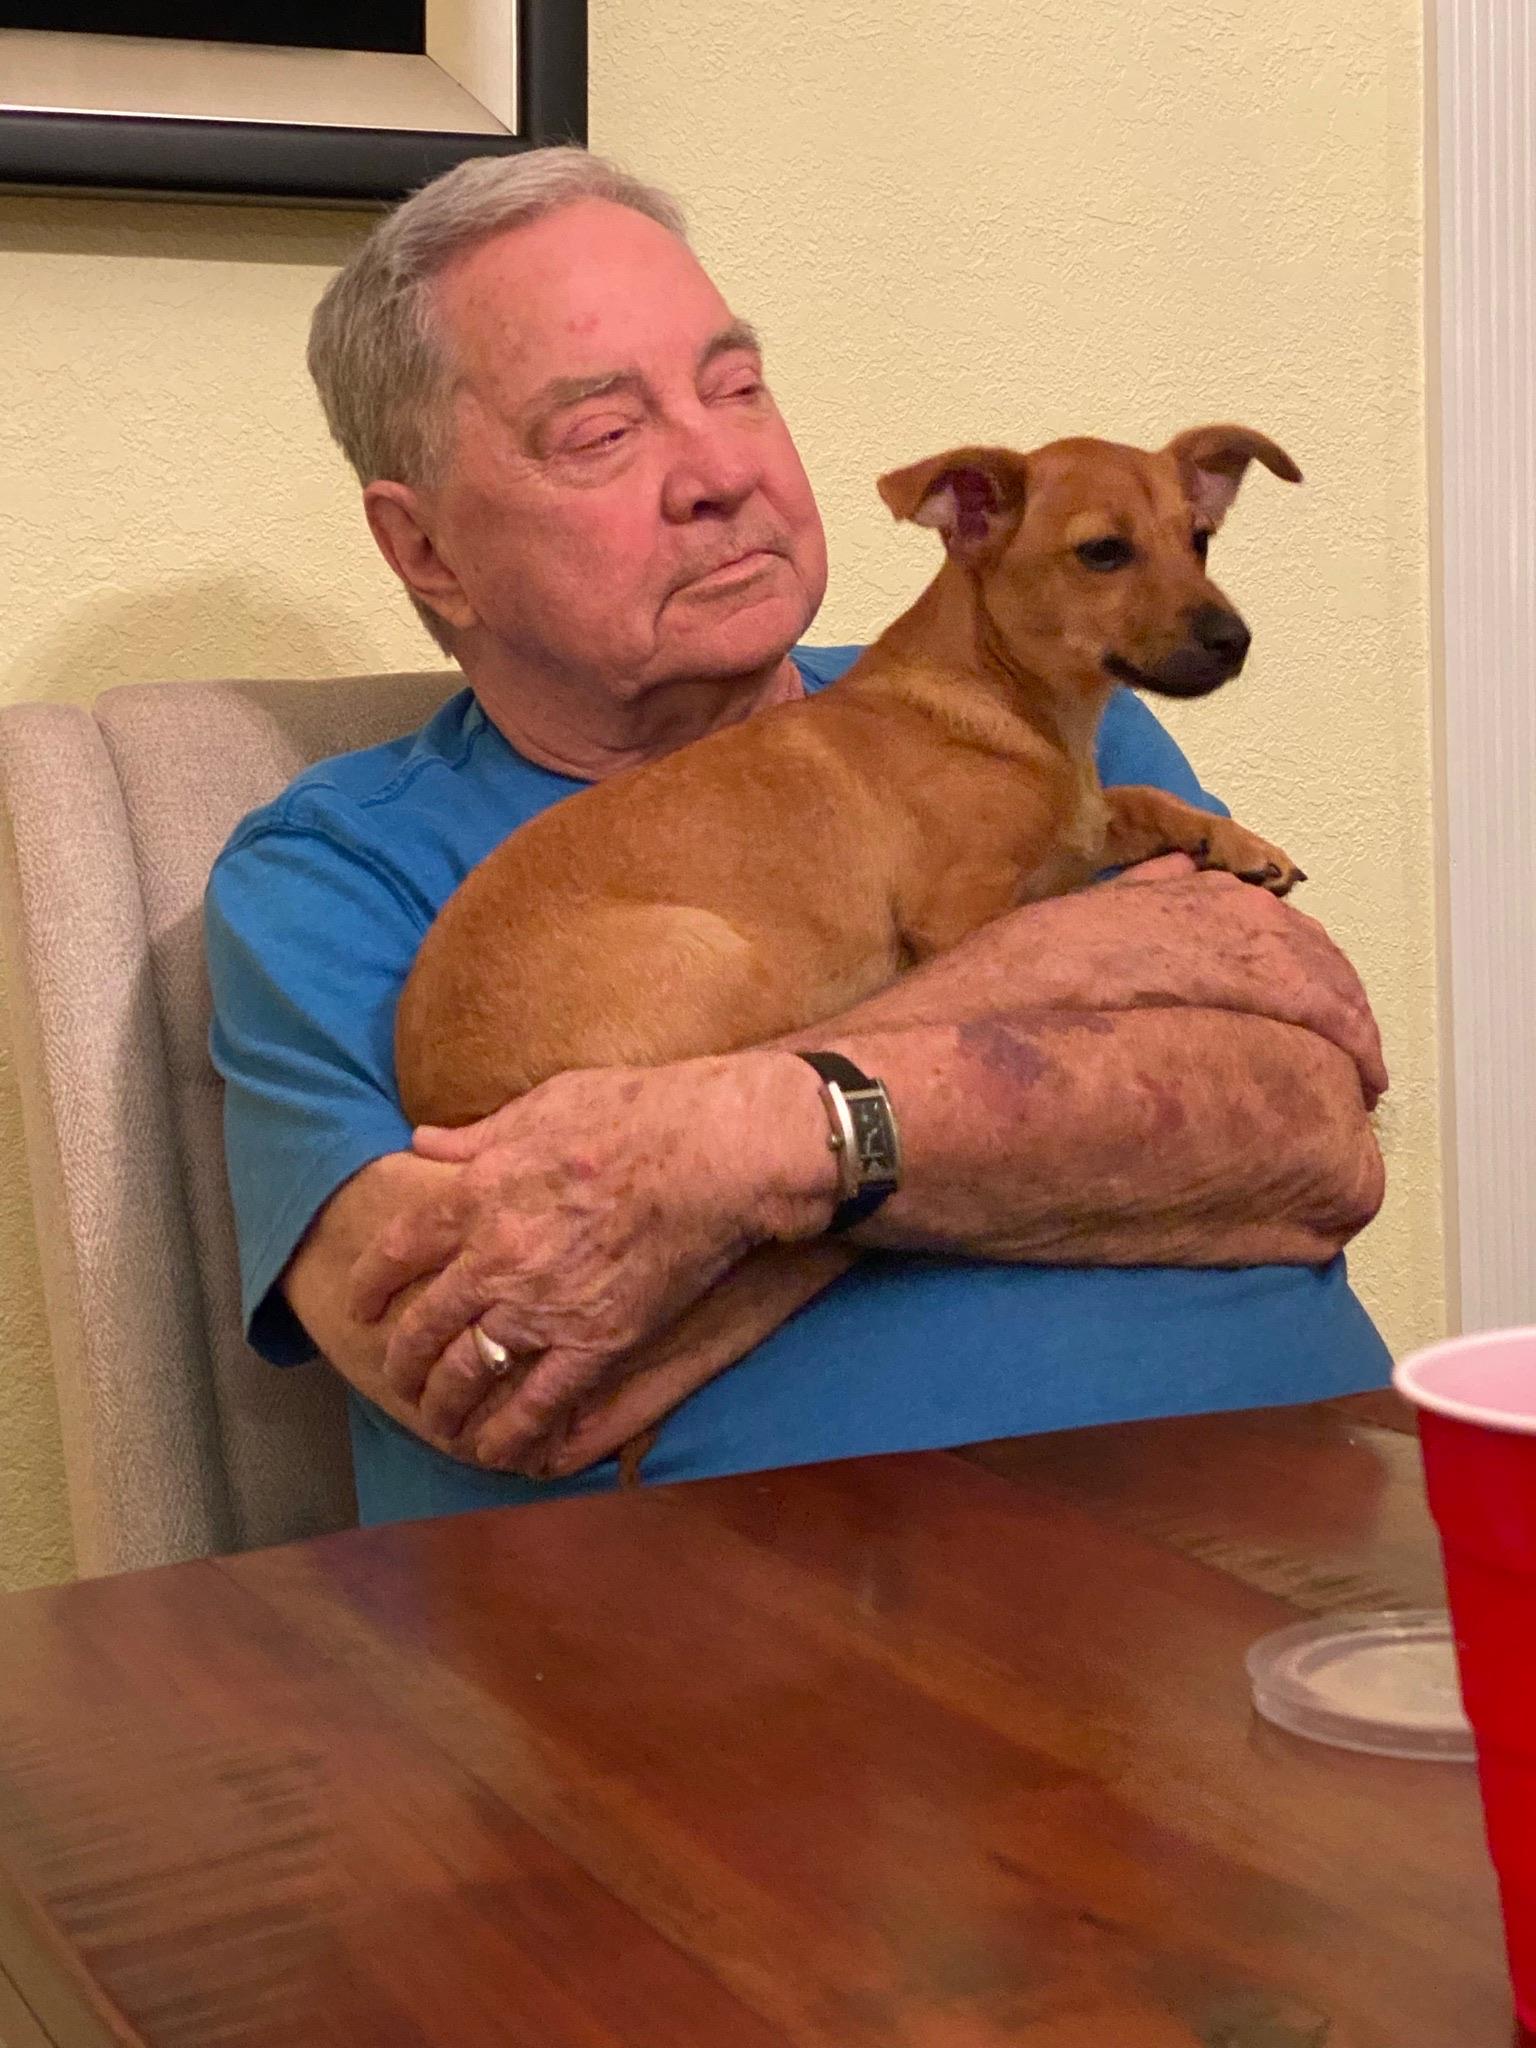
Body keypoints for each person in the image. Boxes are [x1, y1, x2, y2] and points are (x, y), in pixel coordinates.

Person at [204, 148, 1391, 1526]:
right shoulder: (334, 871)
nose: (717, 467)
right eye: (602, 432)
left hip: (1302, 1523)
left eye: (736, 387)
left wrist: (763, 1152)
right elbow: (472, 1350)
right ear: (424, 553)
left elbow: (1312, 1131)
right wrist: (1036, 1095)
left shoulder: (1051, 706)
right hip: (786, 1629)